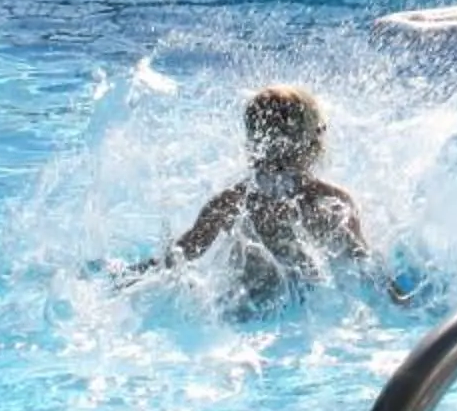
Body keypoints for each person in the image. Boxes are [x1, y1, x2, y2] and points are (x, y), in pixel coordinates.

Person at [164, 86, 395, 309]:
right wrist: (400, 298)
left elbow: (180, 257)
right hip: (309, 306)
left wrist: (137, 273)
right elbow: (366, 266)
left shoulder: (231, 201)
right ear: (314, 143)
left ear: (253, 144)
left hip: (246, 305)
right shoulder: (332, 202)